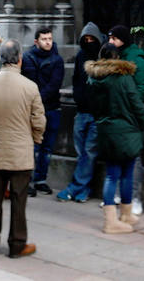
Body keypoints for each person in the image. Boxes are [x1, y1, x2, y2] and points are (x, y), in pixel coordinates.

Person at [0, 40, 46, 258]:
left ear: (0, 58)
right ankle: (17, 244)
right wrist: (35, 139)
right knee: (19, 199)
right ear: (20, 59)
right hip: (21, 153)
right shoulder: (30, 87)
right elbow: (39, 121)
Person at [89, 44, 144, 233]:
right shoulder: (124, 78)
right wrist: (142, 125)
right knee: (126, 174)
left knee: (112, 175)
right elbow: (136, 104)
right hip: (127, 131)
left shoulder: (94, 79)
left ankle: (114, 217)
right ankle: (120, 217)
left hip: (105, 131)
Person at [57, 22, 104, 202]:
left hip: (96, 114)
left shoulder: (101, 57)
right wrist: (79, 96)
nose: (89, 42)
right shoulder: (80, 56)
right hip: (81, 111)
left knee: (89, 152)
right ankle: (84, 188)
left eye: (92, 39)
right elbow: (77, 79)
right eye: (86, 39)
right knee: (82, 153)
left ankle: (75, 187)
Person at [108, 24, 144, 217]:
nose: (110, 42)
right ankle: (118, 194)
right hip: (117, 115)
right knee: (117, 156)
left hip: (131, 115)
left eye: (114, 38)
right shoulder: (115, 57)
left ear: (122, 39)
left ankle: (135, 198)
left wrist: (129, 103)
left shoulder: (136, 60)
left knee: (134, 157)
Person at [21, 27, 64, 197]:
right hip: (33, 109)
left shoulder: (57, 60)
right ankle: (28, 180)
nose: (48, 42)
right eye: (44, 39)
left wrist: (39, 97)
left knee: (47, 148)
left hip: (51, 107)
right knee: (32, 147)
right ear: (36, 41)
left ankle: (40, 179)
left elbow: (55, 84)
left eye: (50, 39)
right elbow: (29, 81)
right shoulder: (28, 58)